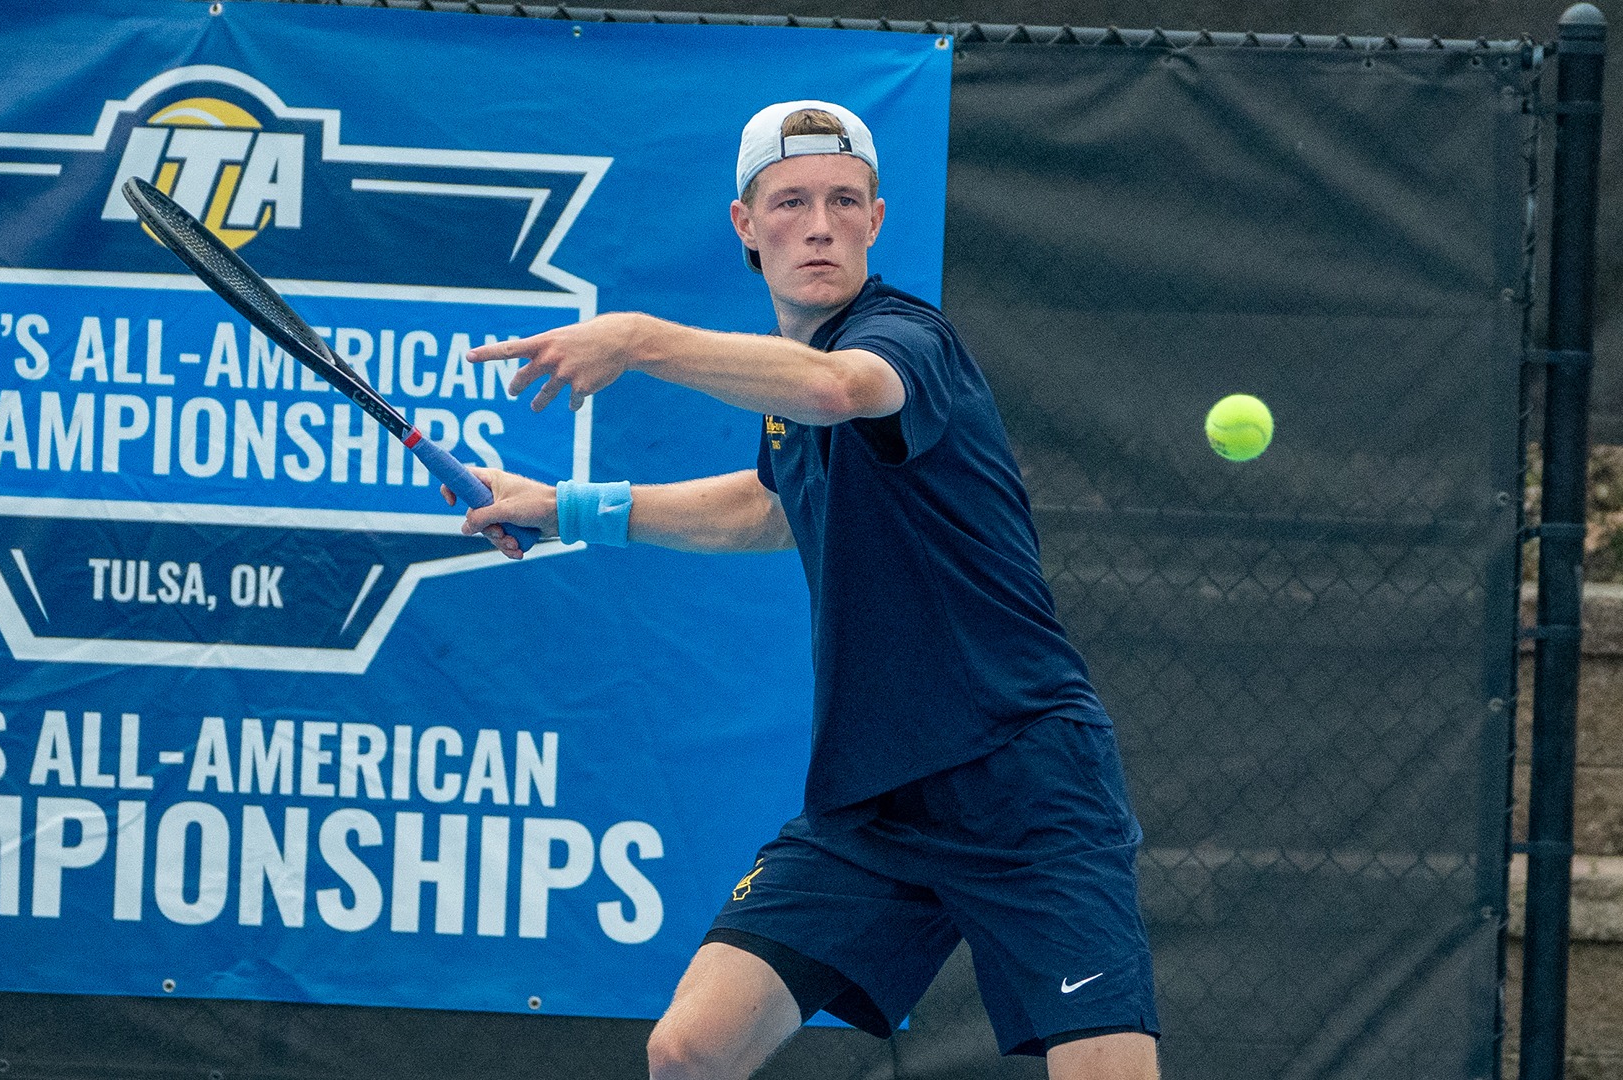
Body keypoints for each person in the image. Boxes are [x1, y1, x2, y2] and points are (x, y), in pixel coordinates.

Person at [451, 100, 1160, 1080]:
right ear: (746, 226)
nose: (818, 223)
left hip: (1025, 781)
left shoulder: (904, 341)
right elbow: (768, 505)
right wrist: (564, 508)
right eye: (789, 202)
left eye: (842, 200)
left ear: (876, 217)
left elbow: (839, 393)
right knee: (692, 1048)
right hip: (875, 800)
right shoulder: (794, 384)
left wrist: (643, 339)